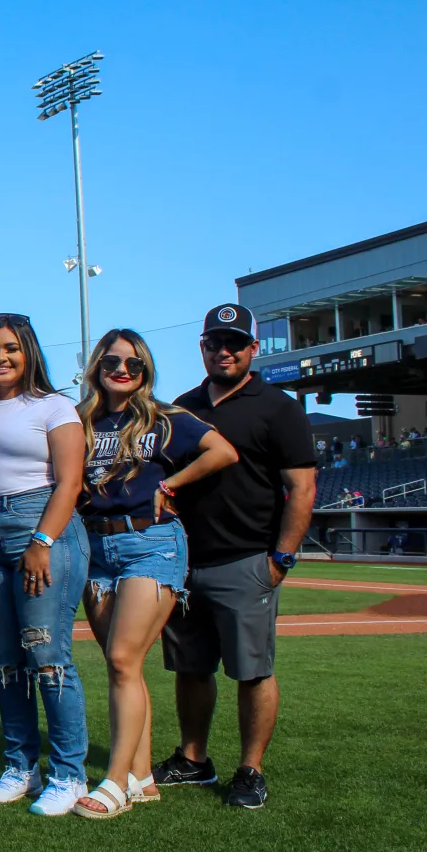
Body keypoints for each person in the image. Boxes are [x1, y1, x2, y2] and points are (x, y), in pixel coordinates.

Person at [72, 329, 238, 820]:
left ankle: (115, 782)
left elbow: (223, 452)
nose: (122, 370)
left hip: (152, 543)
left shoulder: (165, 418)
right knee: (121, 665)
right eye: (113, 361)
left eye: (134, 364)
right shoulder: (79, 419)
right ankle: (142, 777)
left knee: (124, 658)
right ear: (97, 365)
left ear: (146, 372)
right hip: (96, 545)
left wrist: (172, 482)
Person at [159, 304, 317, 811]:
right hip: (184, 561)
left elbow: (302, 487)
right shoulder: (181, 407)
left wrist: (281, 559)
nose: (224, 351)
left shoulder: (278, 407)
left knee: (252, 671)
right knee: (190, 667)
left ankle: (251, 769)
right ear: (201, 348)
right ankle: (193, 759)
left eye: (234, 343)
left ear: (253, 348)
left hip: (245, 559)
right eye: (214, 343)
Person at [0, 314, 91, 816]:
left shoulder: (54, 406)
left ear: (29, 353)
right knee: (6, 663)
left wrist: (42, 539)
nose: (1, 357)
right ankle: (21, 765)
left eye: (12, 348)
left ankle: (69, 774)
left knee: (47, 656)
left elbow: (70, 482)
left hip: (40, 525)